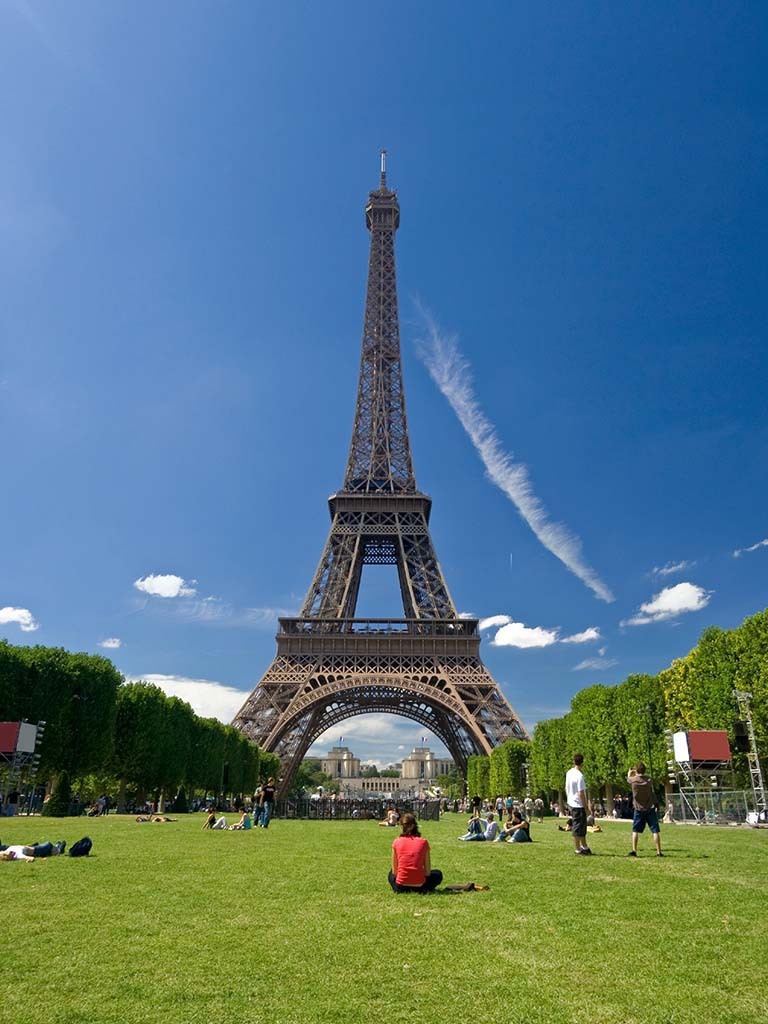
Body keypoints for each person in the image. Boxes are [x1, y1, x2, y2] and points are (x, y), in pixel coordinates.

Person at [388, 812, 442, 893]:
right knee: (437, 874)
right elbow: (427, 872)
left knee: (390, 873)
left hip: (400, 887)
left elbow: (395, 872)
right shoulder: (423, 842)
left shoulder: (396, 842)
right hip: (420, 886)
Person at [627, 763, 663, 857]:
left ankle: (634, 850)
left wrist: (630, 773)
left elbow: (629, 779)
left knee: (635, 831)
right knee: (655, 831)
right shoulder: (649, 780)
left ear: (637, 770)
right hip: (649, 808)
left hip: (638, 809)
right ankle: (659, 852)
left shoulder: (633, 780)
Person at [565, 754, 591, 855]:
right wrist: (586, 807)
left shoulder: (569, 773)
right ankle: (578, 849)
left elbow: (566, 787)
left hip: (571, 802)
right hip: (578, 804)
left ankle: (584, 846)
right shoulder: (580, 776)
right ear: (582, 763)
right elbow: (581, 793)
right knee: (577, 827)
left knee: (582, 827)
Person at [0, 840, 66, 860]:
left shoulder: (8, 848)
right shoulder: (18, 855)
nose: (11, 853)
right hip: (36, 850)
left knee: (48, 847)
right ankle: (59, 850)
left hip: (32, 847)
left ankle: (56, 848)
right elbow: (30, 858)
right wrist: (30, 859)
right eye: (11, 854)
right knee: (48, 844)